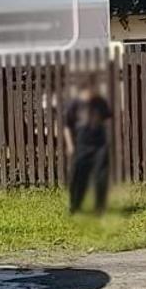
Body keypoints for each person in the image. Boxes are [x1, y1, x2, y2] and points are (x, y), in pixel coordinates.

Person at [61, 75, 112, 215]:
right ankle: (75, 206)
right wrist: (70, 145)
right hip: (82, 144)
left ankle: (100, 208)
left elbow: (107, 120)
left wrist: (108, 141)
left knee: (101, 176)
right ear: (83, 90)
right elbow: (67, 126)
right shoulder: (75, 104)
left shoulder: (100, 102)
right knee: (78, 177)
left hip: (100, 144)